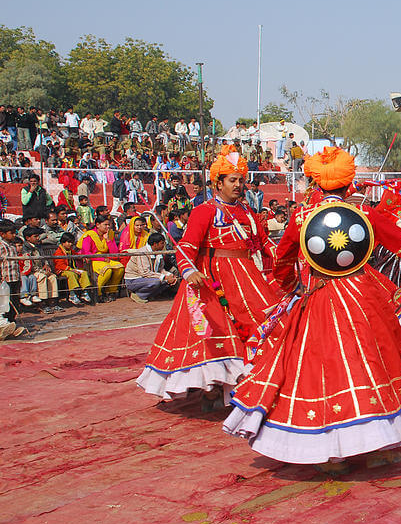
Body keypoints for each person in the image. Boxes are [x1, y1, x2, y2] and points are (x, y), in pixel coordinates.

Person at [224, 146, 401, 470]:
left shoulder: (301, 217)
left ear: (316, 182)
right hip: (361, 297)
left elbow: (283, 259)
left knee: (321, 368)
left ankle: (331, 452)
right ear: (347, 183)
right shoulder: (363, 214)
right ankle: (380, 445)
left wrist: (287, 287)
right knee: (371, 361)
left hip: (318, 296)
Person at [137, 144, 280, 407]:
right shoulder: (205, 211)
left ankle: (252, 385)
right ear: (218, 183)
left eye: (241, 180)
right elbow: (187, 246)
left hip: (248, 278)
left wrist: (288, 255)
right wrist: (189, 270)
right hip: (215, 281)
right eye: (232, 180)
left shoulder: (247, 212)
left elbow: (262, 243)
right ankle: (214, 387)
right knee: (216, 332)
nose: (238, 185)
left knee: (264, 324)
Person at [78, 215, 124, 303]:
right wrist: (102, 259)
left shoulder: (109, 234)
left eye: (109, 225)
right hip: (94, 260)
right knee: (107, 270)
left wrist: (108, 240)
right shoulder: (89, 235)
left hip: (107, 259)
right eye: (105, 225)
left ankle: (110, 291)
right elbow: (86, 252)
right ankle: (97, 292)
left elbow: (115, 253)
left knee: (120, 268)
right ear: (98, 225)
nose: (108, 227)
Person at [125, 233, 178, 303]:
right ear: (155, 244)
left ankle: (150, 295)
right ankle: (139, 295)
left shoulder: (159, 253)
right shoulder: (142, 253)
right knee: (156, 282)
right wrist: (164, 277)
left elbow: (160, 270)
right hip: (134, 279)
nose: (163, 245)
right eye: (162, 243)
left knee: (170, 279)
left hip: (148, 277)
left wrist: (169, 275)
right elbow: (145, 272)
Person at [0, 220, 25, 339]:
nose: (14, 235)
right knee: (6, 303)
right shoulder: (1, 246)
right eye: (11, 233)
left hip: (15, 277)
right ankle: (6, 326)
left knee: (15, 301)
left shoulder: (12, 245)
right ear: (2, 234)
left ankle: (11, 325)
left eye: (15, 233)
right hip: (6, 279)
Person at [54, 232, 92, 305]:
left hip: (71, 269)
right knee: (72, 274)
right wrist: (72, 269)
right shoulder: (59, 252)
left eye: (71, 242)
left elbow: (76, 255)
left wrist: (82, 257)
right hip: (62, 270)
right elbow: (60, 265)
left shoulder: (70, 250)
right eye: (68, 242)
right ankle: (72, 294)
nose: (70, 244)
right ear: (63, 242)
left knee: (83, 272)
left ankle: (84, 292)